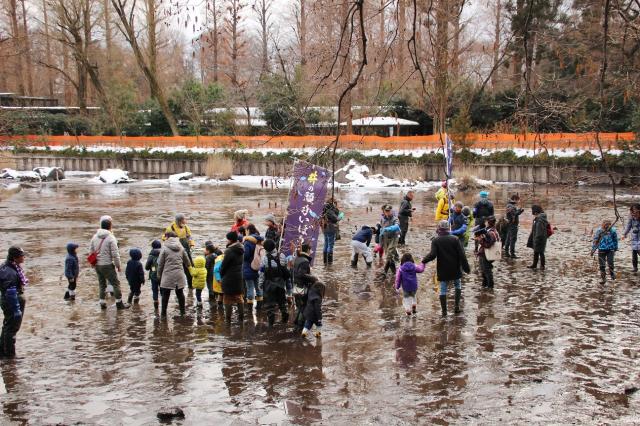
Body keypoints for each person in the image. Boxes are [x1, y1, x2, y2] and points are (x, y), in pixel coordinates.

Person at [422, 220, 470, 317]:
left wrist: (423, 261)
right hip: (455, 268)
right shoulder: (455, 239)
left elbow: (432, 255)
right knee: (458, 285)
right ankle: (456, 307)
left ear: (439, 228)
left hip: (443, 269)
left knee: (443, 290)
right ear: (448, 228)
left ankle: (444, 312)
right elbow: (462, 255)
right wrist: (466, 268)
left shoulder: (436, 240)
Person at [90, 216, 128, 310]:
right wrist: (118, 266)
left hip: (97, 265)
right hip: (107, 264)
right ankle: (119, 303)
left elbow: (91, 251)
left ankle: (102, 303)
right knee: (115, 283)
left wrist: (92, 264)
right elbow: (115, 254)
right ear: (110, 227)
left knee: (102, 284)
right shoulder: (111, 238)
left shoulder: (94, 237)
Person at [0, 247, 28, 358]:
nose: (23, 257)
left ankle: (3, 352)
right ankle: (10, 355)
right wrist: (16, 308)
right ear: (15, 257)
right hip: (12, 301)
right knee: (12, 328)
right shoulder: (9, 271)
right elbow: (10, 290)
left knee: (7, 326)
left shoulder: (11, 267)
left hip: (12, 300)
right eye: (22, 255)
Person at [157, 231, 191, 317]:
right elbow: (188, 262)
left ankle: (163, 314)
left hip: (168, 274)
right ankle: (182, 312)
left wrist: (159, 275)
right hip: (179, 274)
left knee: (165, 294)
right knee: (180, 293)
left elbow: (160, 264)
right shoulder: (181, 247)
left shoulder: (164, 248)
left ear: (167, 237)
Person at [259, 239, 289, 327]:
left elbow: (262, 273)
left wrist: (260, 284)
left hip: (269, 284)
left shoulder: (264, 259)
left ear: (266, 249)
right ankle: (285, 317)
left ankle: (271, 324)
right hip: (280, 283)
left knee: (269, 304)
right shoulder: (282, 256)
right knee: (282, 301)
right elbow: (285, 269)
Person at [163, 214, 195, 288]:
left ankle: (190, 285)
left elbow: (190, 237)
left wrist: (192, 244)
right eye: (184, 219)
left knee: (189, 266)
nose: (185, 220)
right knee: (177, 268)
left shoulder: (186, 227)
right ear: (179, 220)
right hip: (175, 250)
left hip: (186, 250)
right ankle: (176, 285)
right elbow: (164, 237)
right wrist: (169, 242)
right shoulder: (170, 228)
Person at [220, 232, 245, 323]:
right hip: (238, 276)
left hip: (229, 277)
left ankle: (228, 320)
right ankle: (241, 319)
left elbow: (223, 266)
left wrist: (221, 275)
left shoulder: (229, 251)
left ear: (230, 240)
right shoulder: (241, 248)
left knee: (227, 298)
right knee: (239, 297)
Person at [293, 243, 317, 330]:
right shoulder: (305, 261)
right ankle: (299, 326)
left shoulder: (297, 258)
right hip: (302, 287)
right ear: (307, 250)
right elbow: (301, 274)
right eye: (310, 250)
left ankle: (296, 324)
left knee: (300, 306)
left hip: (296, 286)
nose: (311, 252)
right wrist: (313, 278)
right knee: (304, 307)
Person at [243, 225, 264, 310]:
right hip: (258, 266)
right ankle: (259, 305)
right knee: (258, 286)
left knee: (250, 287)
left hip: (248, 267)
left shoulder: (247, 242)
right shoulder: (260, 240)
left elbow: (246, 256)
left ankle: (250, 307)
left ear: (248, 230)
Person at [476, 217, 500, 289]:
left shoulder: (491, 232)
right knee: (484, 269)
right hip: (484, 253)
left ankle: (490, 286)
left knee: (487, 270)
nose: (485, 223)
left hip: (486, 254)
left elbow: (488, 245)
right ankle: (485, 284)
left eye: (486, 222)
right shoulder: (489, 230)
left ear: (488, 223)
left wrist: (480, 240)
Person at [593, 220, 619, 284]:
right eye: (605, 225)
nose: (607, 226)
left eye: (608, 225)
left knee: (610, 262)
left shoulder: (613, 231)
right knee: (602, 264)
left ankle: (612, 275)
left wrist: (615, 247)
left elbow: (615, 240)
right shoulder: (599, 231)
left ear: (610, 225)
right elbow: (595, 240)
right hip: (601, 249)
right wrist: (593, 249)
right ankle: (603, 278)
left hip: (610, 249)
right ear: (602, 225)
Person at [380, 204, 401, 276]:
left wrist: (390, 228)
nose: (388, 212)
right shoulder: (383, 219)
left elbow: (397, 226)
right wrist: (380, 241)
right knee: (389, 255)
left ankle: (385, 271)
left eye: (389, 211)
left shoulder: (395, 218)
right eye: (386, 211)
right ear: (384, 211)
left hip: (394, 237)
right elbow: (381, 229)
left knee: (389, 254)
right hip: (386, 238)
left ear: (391, 211)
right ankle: (394, 271)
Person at [527, 205, 549, 270]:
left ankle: (542, 266)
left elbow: (539, 231)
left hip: (539, 238)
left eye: (533, 213)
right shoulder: (540, 218)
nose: (533, 215)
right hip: (540, 237)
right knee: (536, 252)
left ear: (536, 212)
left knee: (541, 252)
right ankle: (534, 264)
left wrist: (536, 239)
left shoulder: (539, 220)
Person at [504, 194, 525, 258]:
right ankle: (512, 254)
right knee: (513, 239)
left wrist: (519, 210)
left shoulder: (509, 205)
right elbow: (514, 214)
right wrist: (521, 210)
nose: (518, 201)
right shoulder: (511, 206)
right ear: (515, 199)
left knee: (508, 238)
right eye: (518, 200)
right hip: (513, 225)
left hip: (509, 224)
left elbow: (513, 213)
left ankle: (507, 252)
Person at [322, 199, 341, 265]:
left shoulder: (324, 209)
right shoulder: (330, 210)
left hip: (324, 227)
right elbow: (336, 218)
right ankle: (329, 262)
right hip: (331, 227)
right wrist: (340, 216)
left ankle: (325, 261)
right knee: (330, 245)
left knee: (326, 244)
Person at [622, 204, 640, 273]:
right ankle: (635, 268)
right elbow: (628, 226)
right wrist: (625, 234)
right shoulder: (631, 218)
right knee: (634, 252)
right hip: (634, 237)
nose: (635, 213)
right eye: (633, 212)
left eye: (636, 212)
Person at [145, 240, 162, 310]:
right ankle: (164, 303)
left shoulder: (151, 255)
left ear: (152, 246)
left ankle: (156, 303)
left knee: (154, 290)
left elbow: (146, 267)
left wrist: (152, 268)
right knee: (163, 290)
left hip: (153, 275)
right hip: (162, 275)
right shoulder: (163, 253)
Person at [204, 241, 223, 305]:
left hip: (209, 274)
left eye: (205, 249)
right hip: (215, 273)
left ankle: (212, 299)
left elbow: (206, 267)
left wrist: (204, 274)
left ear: (208, 251)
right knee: (215, 285)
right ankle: (216, 295)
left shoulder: (207, 257)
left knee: (210, 286)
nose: (204, 250)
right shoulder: (216, 255)